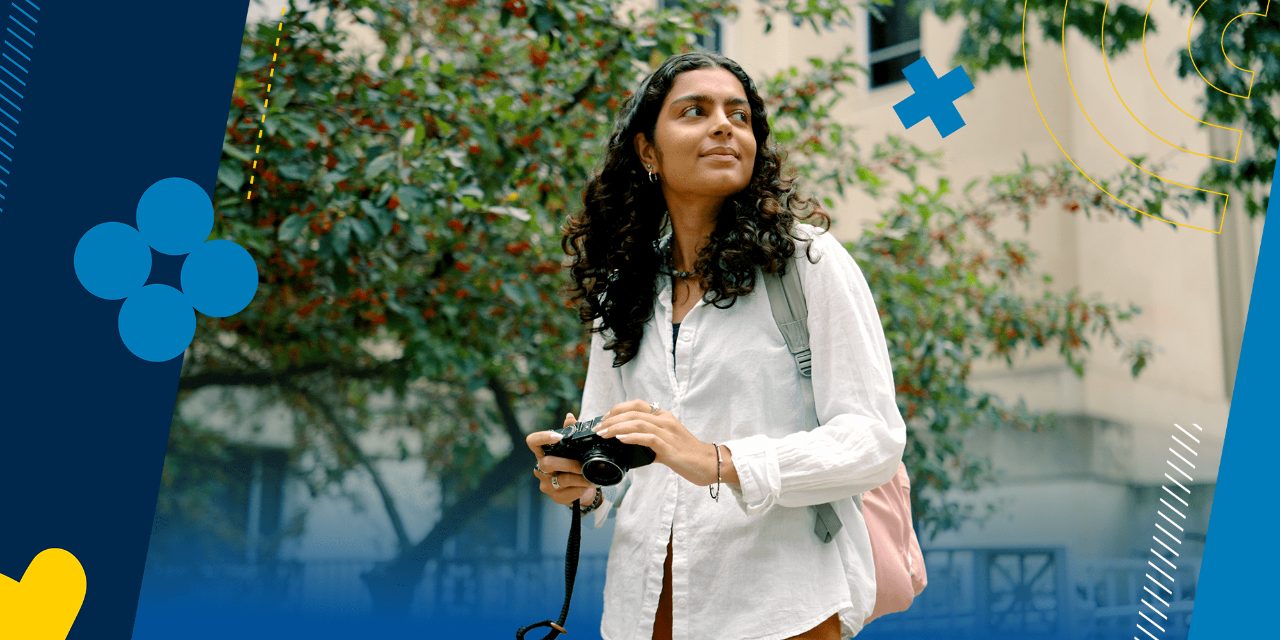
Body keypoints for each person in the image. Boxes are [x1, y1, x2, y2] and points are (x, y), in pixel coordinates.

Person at [525, 51, 906, 640]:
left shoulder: (808, 262)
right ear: (647, 151)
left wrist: (719, 462)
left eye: (740, 114)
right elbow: (616, 452)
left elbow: (872, 441)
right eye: (694, 111)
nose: (724, 125)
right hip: (640, 612)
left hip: (781, 612)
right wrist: (579, 482)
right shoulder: (624, 286)